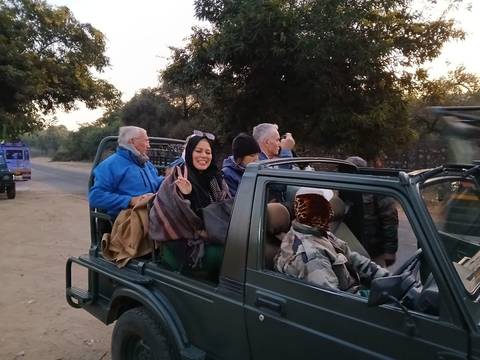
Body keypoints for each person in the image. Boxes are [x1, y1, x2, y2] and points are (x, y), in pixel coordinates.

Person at [274, 187, 389, 293]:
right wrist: (368, 297)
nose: (331, 212)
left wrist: (386, 277)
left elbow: (351, 257)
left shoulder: (317, 232)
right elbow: (336, 303)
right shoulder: (312, 258)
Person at [149, 131, 231, 272]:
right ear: (189, 153)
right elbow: (176, 218)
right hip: (186, 243)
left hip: (213, 232)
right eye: (198, 151)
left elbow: (226, 207)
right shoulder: (176, 178)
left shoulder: (216, 178)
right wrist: (188, 195)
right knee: (234, 256)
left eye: (208, 152)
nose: (204, 156)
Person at [89, 126, 163, 218]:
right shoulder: (110, 165)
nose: (148, 145)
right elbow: (96, 197)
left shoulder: (145, 163)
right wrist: (130, 201)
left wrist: (171, 180)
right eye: (146, 141)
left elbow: (155, 181)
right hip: (129, 220)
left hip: (151, 214)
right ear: (132, 141)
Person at [345, 156, 399, 267]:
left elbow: (390, 221)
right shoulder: (342, 188)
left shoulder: (376, 188)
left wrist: (390, 252)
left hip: (373, 252)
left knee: (377, 281)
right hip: (348, 249)